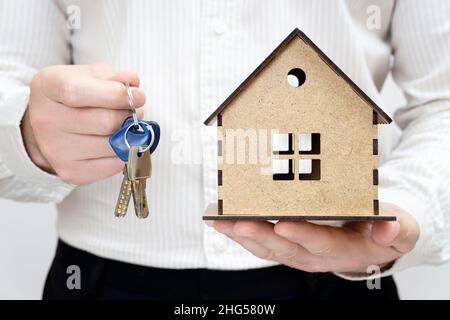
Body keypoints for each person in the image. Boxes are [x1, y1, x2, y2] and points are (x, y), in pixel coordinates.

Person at [0, 0, 449, 300]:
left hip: (343, 272)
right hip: (99, 278)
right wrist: (27, 134)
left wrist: (411, 203)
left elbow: (442, 98)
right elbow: (8, 73)